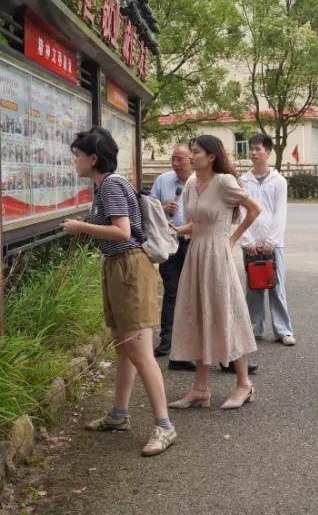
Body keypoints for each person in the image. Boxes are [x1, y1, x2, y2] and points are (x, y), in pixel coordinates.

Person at [61, 127, 176, 457]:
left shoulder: (110, 185)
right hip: (119, 266)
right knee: (125, 347)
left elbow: (122, 231)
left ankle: (165, 426)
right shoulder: (107, 185)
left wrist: (80, 227)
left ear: (94, 159)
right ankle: (118, 415)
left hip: (128, 267)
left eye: (78, 156)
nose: (75, 161)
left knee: (139, 351)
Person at [167, 135, 263, 410]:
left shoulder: (224, 182)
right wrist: (175, 230)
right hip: (196, 254)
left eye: (196, 152)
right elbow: (195, 225)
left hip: (218, 255)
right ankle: (200, 389)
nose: (191, 156)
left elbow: (254, 210)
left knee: (226, 313)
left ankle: (244, 385)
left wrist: (232, 239)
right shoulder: (191, 184)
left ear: (211, 157)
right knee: (198, 315)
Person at [239, 133, 296, 345]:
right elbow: (241, 213)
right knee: (253, 287)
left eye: (258, 149)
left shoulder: (278, 181)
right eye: (251, 149)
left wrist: (271, 242)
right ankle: (254, 328)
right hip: (251, 244)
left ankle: (283, 330)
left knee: (276, 286)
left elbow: (280, 213)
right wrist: (248, 241)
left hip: (274, 244)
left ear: (268, 152)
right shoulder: (243, 181)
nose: (254, 153)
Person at [149, 144, 196, 368]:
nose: (175, 163)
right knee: (172, 291)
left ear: (191, 159)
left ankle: (191, 341)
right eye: (173, 159)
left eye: (180, 159)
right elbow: (149, 209)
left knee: (193, 292)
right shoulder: (163, 180)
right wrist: (162, 208)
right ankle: (167, 340)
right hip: (169, 243)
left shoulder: (199, 181)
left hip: (193, 243)